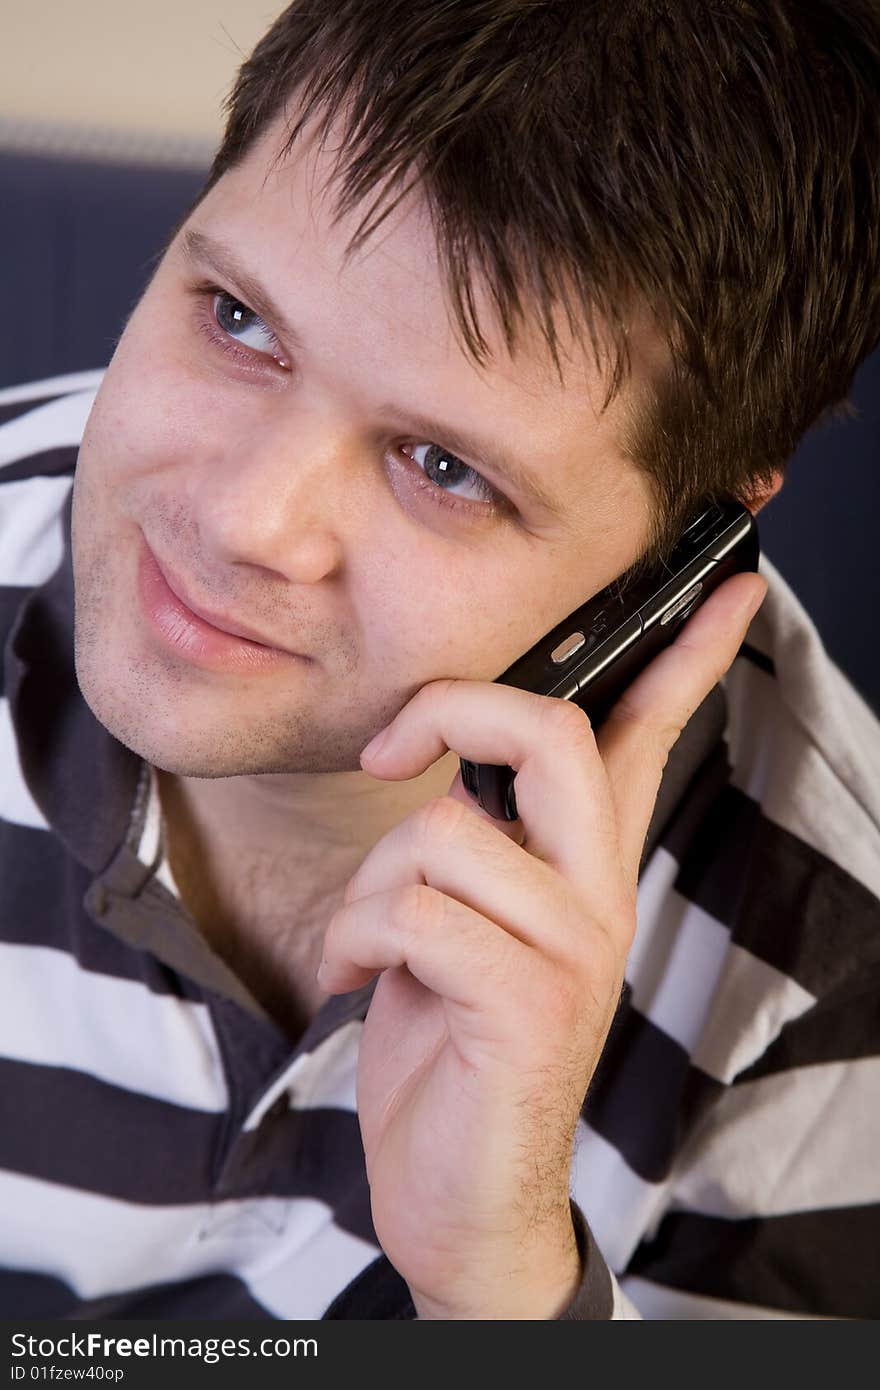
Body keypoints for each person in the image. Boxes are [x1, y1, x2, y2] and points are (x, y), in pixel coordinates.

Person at [1, 0, 878, 1320]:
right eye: (238, 319)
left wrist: (507, 1285)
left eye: (446, 468)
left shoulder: (827, 970)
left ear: (682, 546)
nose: (244, 521)